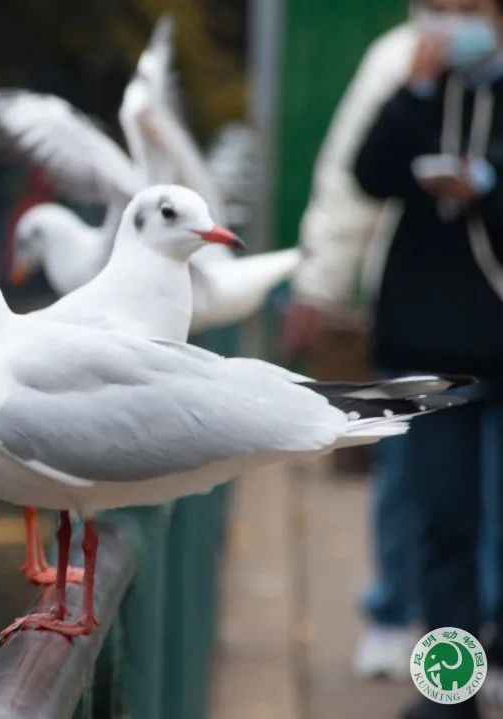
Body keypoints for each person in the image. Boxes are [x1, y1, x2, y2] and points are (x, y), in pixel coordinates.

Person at [285, 5, 421, 682]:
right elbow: (352, 180)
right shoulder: (400, 59)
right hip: (424, 302)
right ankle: (395, 613)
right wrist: (320, 287)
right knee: (411, 463)